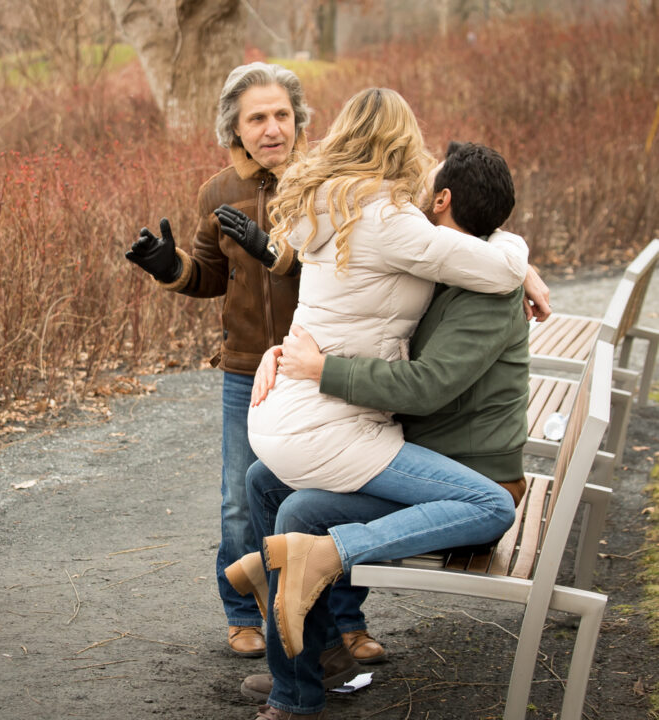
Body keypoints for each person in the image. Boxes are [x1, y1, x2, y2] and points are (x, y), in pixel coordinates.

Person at [230, 141, 535, 719]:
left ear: (441, 199)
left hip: (468, 483)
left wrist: (323, 371)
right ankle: (318, 656)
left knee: (301, 515)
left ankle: (297, 690)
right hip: (425, 455)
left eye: (427, 183)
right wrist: (289, 354)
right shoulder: (440, 254)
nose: (411, 189)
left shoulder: (487, 293)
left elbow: (424, 387)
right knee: (264, 480)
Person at [126, 62, 385, 661]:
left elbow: (348, 262)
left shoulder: (329, 181)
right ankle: (244, 611)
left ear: (299, 121)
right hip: (247, 369)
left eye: (283, 115)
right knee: (240, 497)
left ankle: (348, 618)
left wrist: (277, 253)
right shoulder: (216, 193)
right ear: (234, 130)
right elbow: (209, 277)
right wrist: (171, 269)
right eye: (257, 118)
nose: (273, 129)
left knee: (327, 495)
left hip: (321, 367)